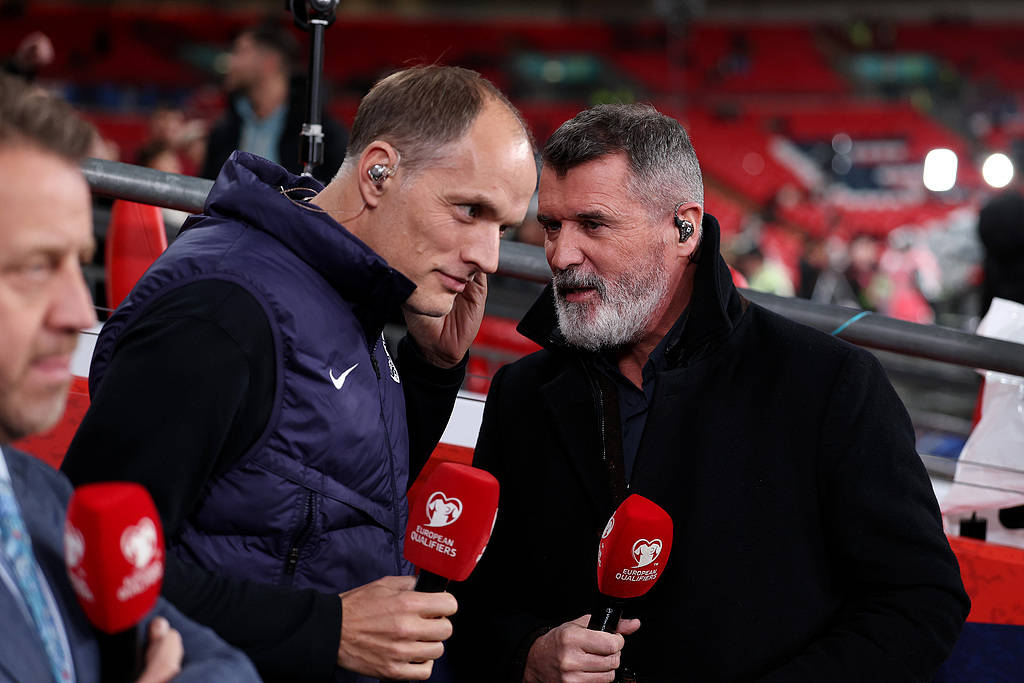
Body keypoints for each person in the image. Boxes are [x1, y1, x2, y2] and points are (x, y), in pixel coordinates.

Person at [450, 103, 969, 682]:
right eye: (551, 226)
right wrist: (527, 654)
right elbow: (473, 598)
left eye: (593, 225)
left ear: (684, 227)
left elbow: (919, 600)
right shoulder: (522, 392)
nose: (561, 255)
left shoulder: (829, 384)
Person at [61, 65, 537, 682]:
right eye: (470, 210)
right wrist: (328, 628)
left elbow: (341, 485)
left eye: (503, 227)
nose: (489, 258)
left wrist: (434, 369)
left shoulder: (349, 285)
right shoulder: (225, 313)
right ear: (378, 172)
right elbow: (90, 563)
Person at [0, 72, 259, 683]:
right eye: (36, 267)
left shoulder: (43, 497)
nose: (77, 312)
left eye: (79, 265)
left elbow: (224, 667)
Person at [199, 21, 348, 182]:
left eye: (240, 51)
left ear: (269, 62)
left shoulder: (322, 134)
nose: (229, 61)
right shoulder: (224, 131)